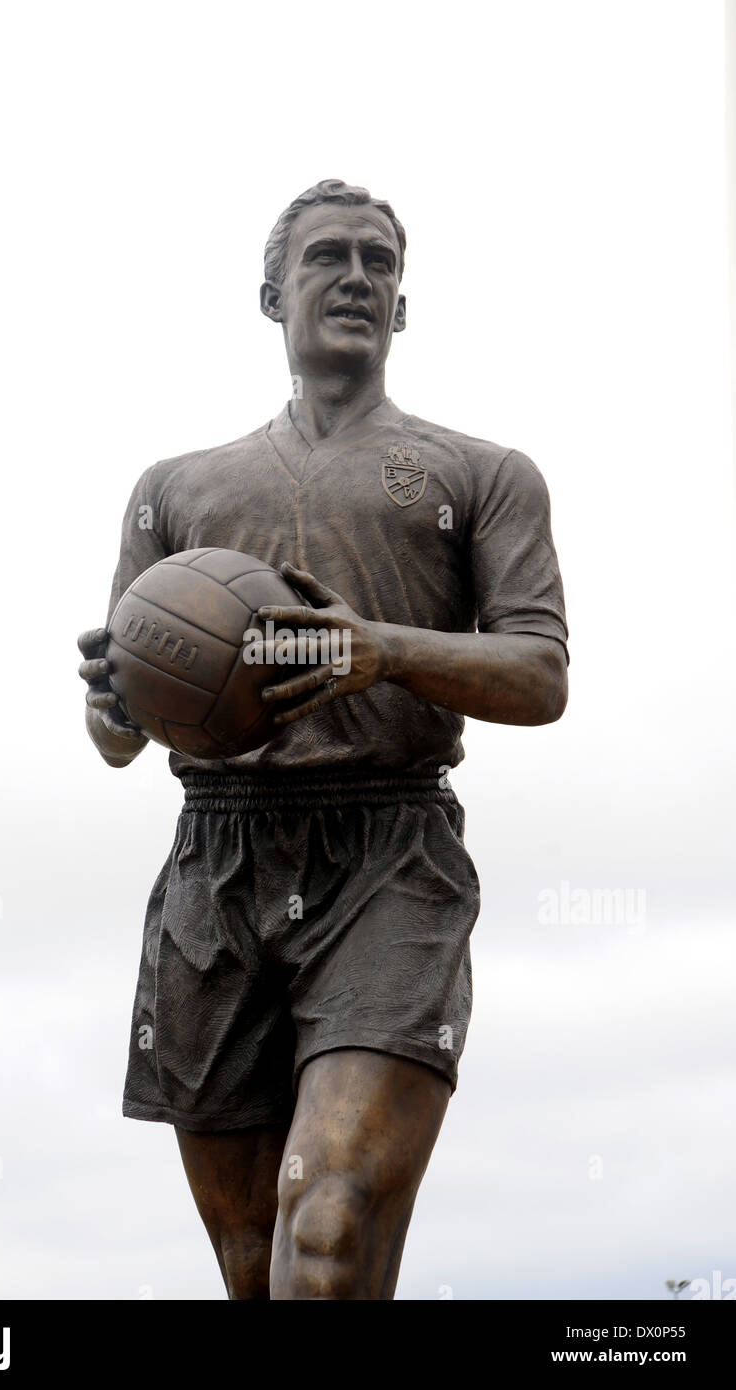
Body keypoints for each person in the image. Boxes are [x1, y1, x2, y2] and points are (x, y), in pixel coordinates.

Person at [77, 179, 569, 1300]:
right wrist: (115, 701)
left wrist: (381, 651)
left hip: (389, 849)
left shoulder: (481, 473)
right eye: (326, 258)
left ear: (401, 308)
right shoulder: (173, 490)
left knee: (329, 1220)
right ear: (270, 294)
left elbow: (540, 675)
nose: (356, 276)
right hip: (218, 862)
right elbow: (117, 737)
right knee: (257, 1269)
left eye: (378, 262)